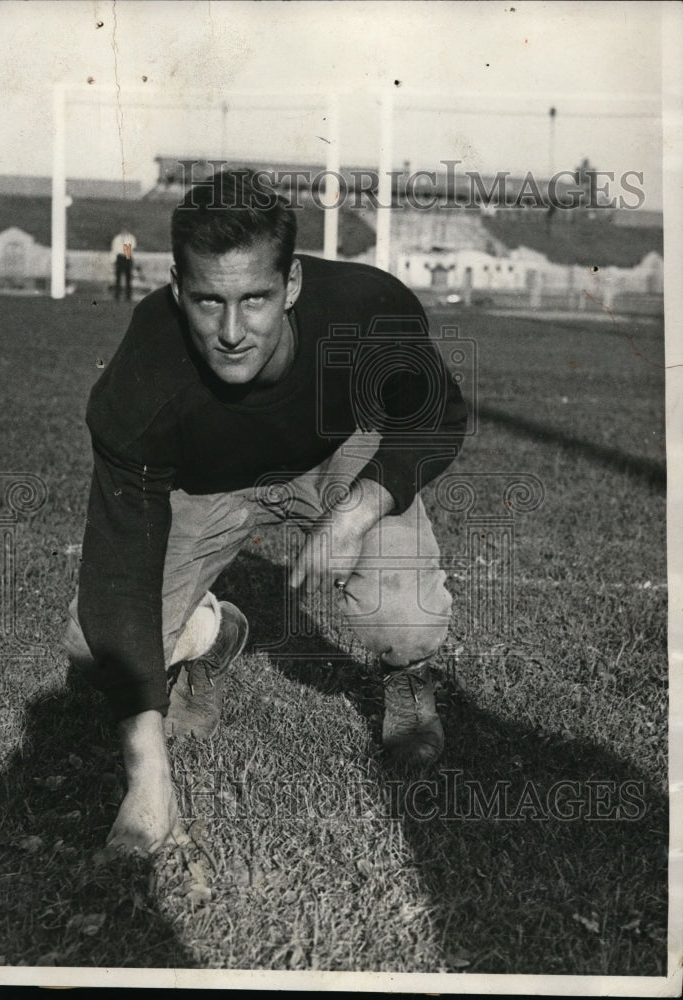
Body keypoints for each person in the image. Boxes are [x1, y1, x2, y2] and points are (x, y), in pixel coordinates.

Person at [64, 170, 468, 855]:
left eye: (254, 299)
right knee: (89, 641)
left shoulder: (363, 309)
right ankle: (214, 635)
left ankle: (407, 681)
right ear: (175, 288)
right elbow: (119, 564)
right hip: (211, 486)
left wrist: (356, 510)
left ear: (293, 286)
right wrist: (148, 776)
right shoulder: (141, 380)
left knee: (402, 617)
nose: (230, 331)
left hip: (342, 454)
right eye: (207, 301)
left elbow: (436, 410)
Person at [111, 226, 137, 301]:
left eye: (125, 230)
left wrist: (128, 257)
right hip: (119, 258)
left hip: (127, 257)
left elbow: (131, 249)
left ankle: (128, 295)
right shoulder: (117, 239)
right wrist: (113, 260)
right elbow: (114, 250)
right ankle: (117, 294)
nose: (124, 231)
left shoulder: (130, 238)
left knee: (128, 276)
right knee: (118, 277)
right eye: (123, 230)